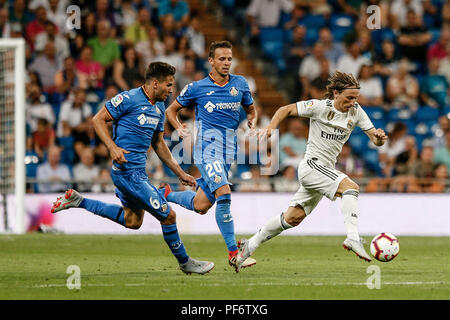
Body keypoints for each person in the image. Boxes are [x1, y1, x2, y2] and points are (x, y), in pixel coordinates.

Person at [51, 62, 214, 275]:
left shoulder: (159, 107)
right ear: (155, 83)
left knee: (133, 221)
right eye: (168, 85)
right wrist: (112, 147)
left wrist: (180, 173)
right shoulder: (127, 99)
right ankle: (185, 262)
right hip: (127, 173)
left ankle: (79, 201)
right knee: (169, 216)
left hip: (138, 173)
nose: (171, 90)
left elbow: (158, 144)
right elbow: (98, 119)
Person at [235, 71, 388, 270]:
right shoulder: (318, 107)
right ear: (335, 93)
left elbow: (374, 139)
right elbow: (284, 109)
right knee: (351, 188)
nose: (353, 102)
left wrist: (379, 138)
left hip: (324, 171)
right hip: (312, 166)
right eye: (349, 98)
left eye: (356, 98)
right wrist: (271, 128)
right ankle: (353, 238)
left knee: (292, 218)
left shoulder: (356, 111)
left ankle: (249, 245)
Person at [163, 41, 257, 271]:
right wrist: (178, 126)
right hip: (207, 150)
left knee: (202, 204)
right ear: (211, 61)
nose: (226, 63)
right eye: (222, 59)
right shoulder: (197, 88)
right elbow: (170, 110)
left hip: (228, 152)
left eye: (229, 59)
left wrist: (252, 119)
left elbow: (251, 108)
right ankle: (234, 253)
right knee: (224, 194)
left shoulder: (240, 84)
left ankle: (165, 194)